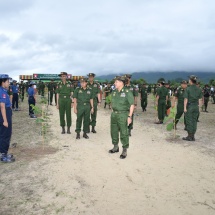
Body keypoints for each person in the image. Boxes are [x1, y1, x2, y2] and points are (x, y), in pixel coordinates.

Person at [109, 76, 134, 159]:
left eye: (116, 82)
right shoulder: (114, 92)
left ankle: (124, 150)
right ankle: (115, 147)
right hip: (114, 114)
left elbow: (131, 105)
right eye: (115, 82)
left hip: (123, 115)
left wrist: (129, 116)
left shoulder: (127, 92)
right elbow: (111, 102)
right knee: (113, 131)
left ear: (121, 82)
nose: (115, 83)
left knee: (124, 132)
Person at [0, 74, 15, 163]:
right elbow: (2, 106)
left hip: (5, 112)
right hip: (4, 113)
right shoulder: (2, 91)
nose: (9, 83)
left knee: (3, 134)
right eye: (7, 82)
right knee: (5, 134)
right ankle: (3, 155)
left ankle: (3, 152)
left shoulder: (3, 90)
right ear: (3, 82)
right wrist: (5, 120)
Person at [183, 75, 202, 141]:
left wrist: (185, 108)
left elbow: (186, 99)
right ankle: (193, 135)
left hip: (190, 106)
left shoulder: (188, 89)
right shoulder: (199, 89)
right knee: (194, 121)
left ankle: (190, 136)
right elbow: (200, 99)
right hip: (196, 106)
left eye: (189, 80)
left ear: (191, 81)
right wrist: (200, 108)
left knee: (189, 121)